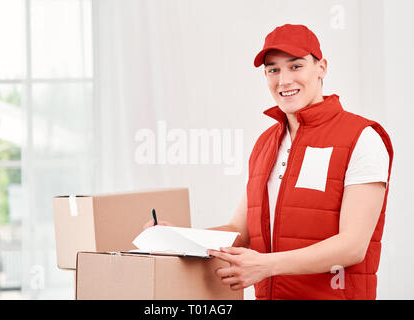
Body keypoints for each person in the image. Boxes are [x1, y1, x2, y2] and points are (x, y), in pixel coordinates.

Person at [142, 24, 393, 300]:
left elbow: (352, 246)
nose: (283, 80)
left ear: (321, 67)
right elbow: (239, 231)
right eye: (273, 70)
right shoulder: (266, 143)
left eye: (295, 66)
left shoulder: (362, 137)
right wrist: (178, 238)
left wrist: (265, 266)